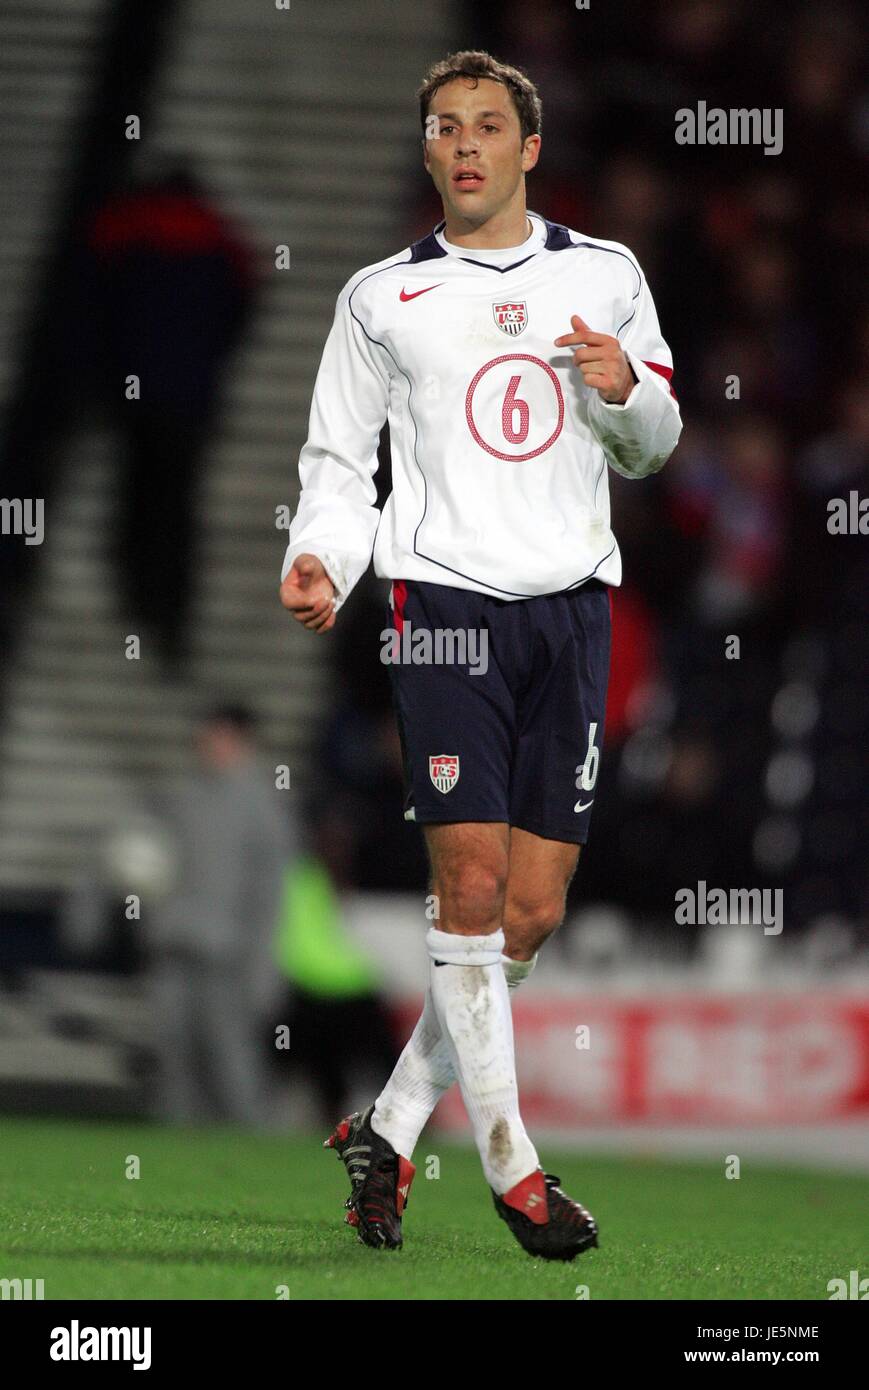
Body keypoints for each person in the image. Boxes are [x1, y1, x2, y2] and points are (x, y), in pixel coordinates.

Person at [279, 51, 682, 1258]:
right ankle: (512, 1167)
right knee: (464, 887)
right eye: (443, 127)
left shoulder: (604, 275)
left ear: (528, 148)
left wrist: (622, 394)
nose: (463, 144)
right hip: (439, 606)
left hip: (567, 611)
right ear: (427, 151)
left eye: (486, 126)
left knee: (531, 908)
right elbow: (338, 466)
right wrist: (323, 558)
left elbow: (652, 444)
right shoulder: (378, 300)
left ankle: (392, 1126)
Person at [148, 703, 290, 1126]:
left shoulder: (264, 808)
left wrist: (265, 968)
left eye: (223, 737)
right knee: (173, 1058)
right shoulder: (180, 798)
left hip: (228, 958)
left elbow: (272, 895)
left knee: (232, 1062)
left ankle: (256, 1154)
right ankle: (174, 1158)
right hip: (174, 948)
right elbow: (143, 857)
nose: (213, 746)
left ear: (244, 743)